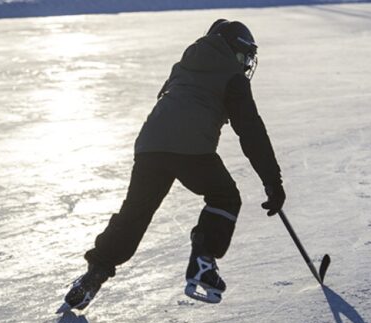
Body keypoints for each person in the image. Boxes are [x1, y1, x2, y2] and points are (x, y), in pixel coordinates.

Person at [62, 19, 285, 307]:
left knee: (135, 213)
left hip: (150, 145)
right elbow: (251, 131)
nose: (244, 64)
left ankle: (94, 274)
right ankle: (203, 263)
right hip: (192, 147)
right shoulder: (232, 76)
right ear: (233, 50)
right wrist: (272, 181)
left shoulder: (186, 63)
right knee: (225, 197)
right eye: (243, 56)